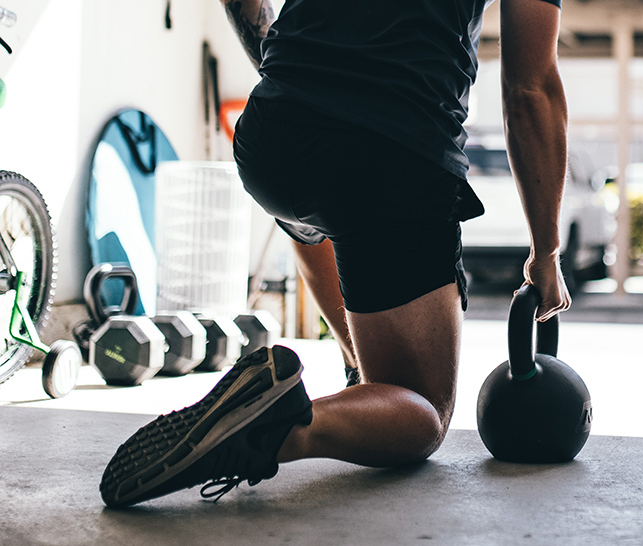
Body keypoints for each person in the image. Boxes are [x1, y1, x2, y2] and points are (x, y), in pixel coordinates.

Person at [99, 0, 570, 507]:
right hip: (392, 146)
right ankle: (283, 423)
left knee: (322, 213)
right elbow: (529, 89)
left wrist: (296, 77)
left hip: (272, 133)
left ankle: (357, 370)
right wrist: (545, 253)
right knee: (425, 411)